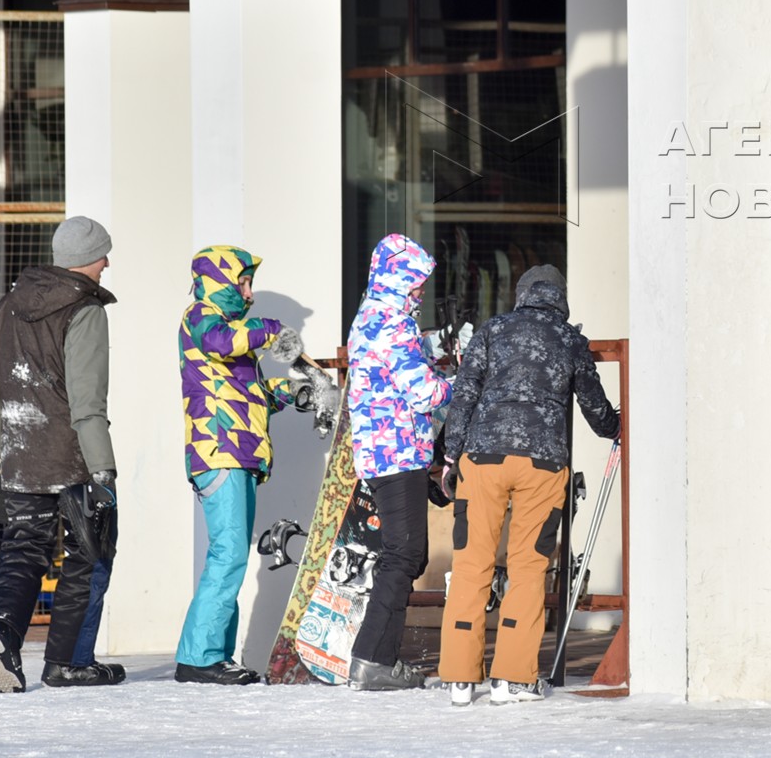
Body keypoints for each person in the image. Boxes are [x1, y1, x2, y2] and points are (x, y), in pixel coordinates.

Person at [438, 264, 619, 706]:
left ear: (521, 294)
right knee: (528, 568)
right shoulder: (569, 339)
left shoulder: (492, 330)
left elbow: (465, 394)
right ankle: (511, 679)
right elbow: (594, 406)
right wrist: (616, 427)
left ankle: (460, 679)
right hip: (543, 464)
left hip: (483, 459)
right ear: (561, 298)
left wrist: (450, 456)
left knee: (471, 564)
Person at [175, 246, 337, 685]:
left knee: (230, 555)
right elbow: (223, 342)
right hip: (219, 451)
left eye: (250, 284)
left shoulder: (232, 337)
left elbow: (252, 397)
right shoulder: (201, 319)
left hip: (238, 453)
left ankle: (212, 655)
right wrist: (272, 330)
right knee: (228, 554)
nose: (248, 293)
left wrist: (297, 393)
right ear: (219, 282)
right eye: (242, 282)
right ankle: (200, 658)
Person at [0, 215, 121, 691]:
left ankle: (0, 630)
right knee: (90, 552)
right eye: (102, 255)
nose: (106, 263)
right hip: (72, 458)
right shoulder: (85, 308)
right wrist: (103, 472)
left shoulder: (11, 303)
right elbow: (87, 403)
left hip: (20, 454)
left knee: (23, 550)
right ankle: (67, 662)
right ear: (87, 259)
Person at [345, 233, 450, 691]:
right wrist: (462, 382)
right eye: (416, 283)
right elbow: (423, 392)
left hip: (382, 450)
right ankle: (371, 659)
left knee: (406, 554)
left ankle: (378, 658)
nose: (421, 292)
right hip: (398, 451)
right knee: (403, 555)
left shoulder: (370, 317)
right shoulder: (393, 323)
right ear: (399, 280)